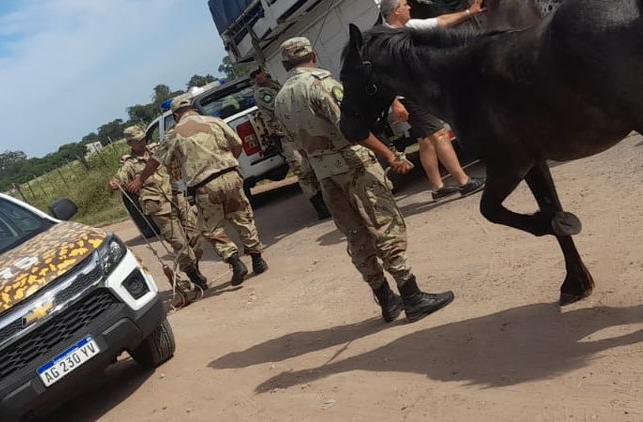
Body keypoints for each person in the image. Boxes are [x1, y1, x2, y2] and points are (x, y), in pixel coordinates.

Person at [274, 35, 455, 324]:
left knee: (356, 235)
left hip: (324, 173)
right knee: (384, 225)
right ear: (313, 56)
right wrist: (391, 155)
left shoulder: (281, 99)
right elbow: (352, 127)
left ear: (285, 64)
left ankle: (386, 300)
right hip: (353, 163)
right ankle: (412, 296)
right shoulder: (321, 84)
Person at [139, 94, 266, 286]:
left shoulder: (174, 134)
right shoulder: (215, 121)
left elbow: (155, 161)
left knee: (212, 228)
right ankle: (258, 259)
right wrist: (229, 163)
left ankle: (234, 260)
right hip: (231, 176)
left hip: (206, 185)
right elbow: (238, 144)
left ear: (175, 116)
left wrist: (140, 180)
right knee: (242, 217)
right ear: (194, 109)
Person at [376, 0, 486, 202]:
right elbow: (381, 76)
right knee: (439, 134)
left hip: (420, 92)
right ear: (396, 11)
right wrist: (394, 102)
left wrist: (469, 12)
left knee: (425, 141)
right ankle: (464, 182)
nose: (410, 7)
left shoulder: (411, 28)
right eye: (405, 4)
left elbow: (440, 22)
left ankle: (438, 187)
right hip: (410, 96)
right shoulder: (385, 40)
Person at [109, 124, 208, 292]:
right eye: (137, 141)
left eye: (143, 138)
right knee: (179, 243)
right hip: (158, 206)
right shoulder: (129, 164)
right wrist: (113, 184)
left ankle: (193, 266)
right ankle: (193, 275)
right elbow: (118, 179)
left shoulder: (158, 150)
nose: (142, 142)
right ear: (130, 144)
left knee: (195, 236)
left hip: (177, 197)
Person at [250, 67, 331, 220]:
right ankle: (320, 207)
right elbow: (279, 106)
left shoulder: (274, 85)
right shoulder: (262, 93)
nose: (257, 76)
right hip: (283, 136)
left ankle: (328, 200)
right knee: (302, 170)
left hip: (296, 131)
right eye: (253, 76)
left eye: (258, 72)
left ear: (264, 71)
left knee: (313, 165)